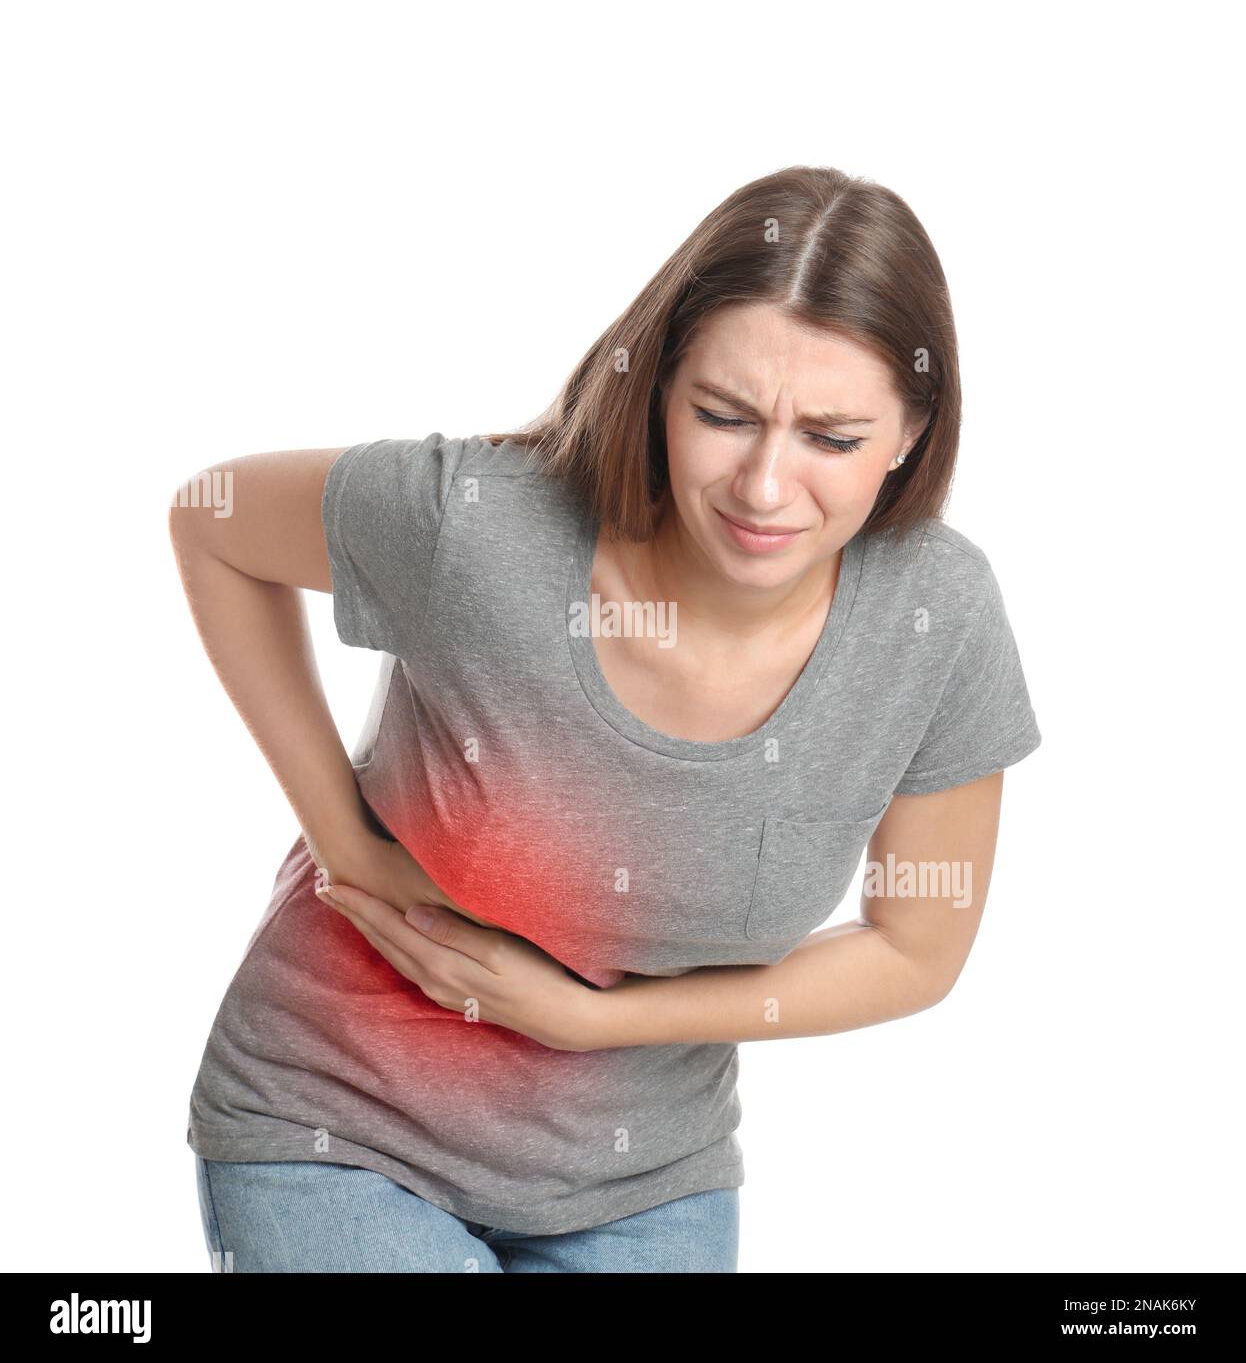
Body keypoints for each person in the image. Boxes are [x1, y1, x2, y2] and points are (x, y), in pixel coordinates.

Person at [170, 164, 1042, 1273]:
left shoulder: (938, 618)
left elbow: (915, 950)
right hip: (338, 1128)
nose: (766, 487)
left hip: (641, 1177)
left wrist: (593, 1019)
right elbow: (214, 524)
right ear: (661, 386)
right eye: (723, 416)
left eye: (832, 437)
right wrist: (344, 841)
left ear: (912, 432)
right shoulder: (478, 527)